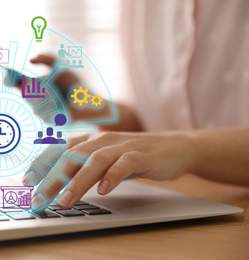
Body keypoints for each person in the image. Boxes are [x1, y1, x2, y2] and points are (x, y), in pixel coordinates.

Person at [22, 0, 249, 210]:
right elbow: (154, 128)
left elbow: (173, 145)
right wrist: (96, 108)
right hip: (183, 196)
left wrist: (187, 148)